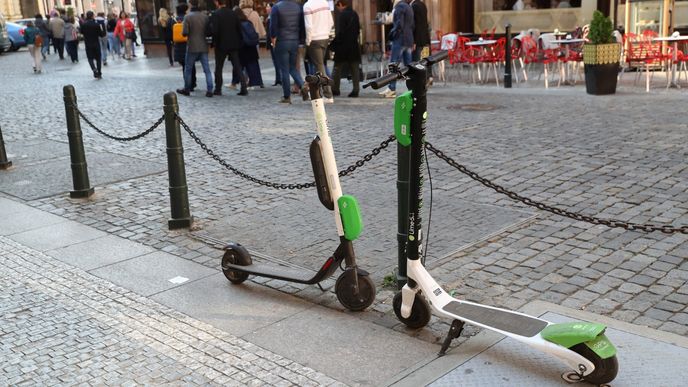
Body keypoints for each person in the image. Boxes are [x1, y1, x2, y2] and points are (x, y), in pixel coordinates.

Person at [269, 0, 307, 103]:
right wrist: (301, 40)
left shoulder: (277, 7)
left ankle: (287, 96)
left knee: (284, 70)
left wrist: (273, 39)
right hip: (294, 40)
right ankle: (302, 85)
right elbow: (302, 25)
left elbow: (273, 27)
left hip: (282, 40)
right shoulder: (298, 7)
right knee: (292, 68)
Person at [177, 0, 214, 97]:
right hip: (203, 45)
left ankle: (187, 89)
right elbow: (208, 31)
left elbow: (185, 32)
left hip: (192, 46)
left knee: (188, 69)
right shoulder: (204, 17)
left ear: (190, 4)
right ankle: (210, 90)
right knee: (207, 70)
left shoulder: (187, 17)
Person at [209, 0, 245, 96]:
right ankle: (244, 87)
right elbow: (239, 29)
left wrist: (214, 42)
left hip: (221, 45)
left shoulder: (216, 14)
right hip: (233, 44)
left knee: (219, 67)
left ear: (217, 2)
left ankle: (218, 89)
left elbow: (215, 31)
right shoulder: (233, 13)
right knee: (237, 66)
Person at [303, 0, 334, 102]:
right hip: (325, 38)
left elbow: (309, 26)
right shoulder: (324, 3)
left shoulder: (308, 6)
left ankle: (328, 94)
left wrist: (308, 41)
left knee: (319, 66)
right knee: (320, 66)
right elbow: (331, 22)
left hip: (314, 39)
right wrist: (326, 33)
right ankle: (317, 91)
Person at [383, 0, 414, 98]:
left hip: (400, 39)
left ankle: (391, 88)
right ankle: (413, 88)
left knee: (393, 64)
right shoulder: (409, 7)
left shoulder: (399, 7)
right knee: (409, 66)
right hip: (408, 38)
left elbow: (399, 24)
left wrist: (393, 33)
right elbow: (412, 24)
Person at [330, 0, 360, 98]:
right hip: (353, 45)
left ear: (341, 5)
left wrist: (334, 44)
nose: (338, 9)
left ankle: (335, 89)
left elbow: (340, 32)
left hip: (343, 46)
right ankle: (356, 90)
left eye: (338, 7)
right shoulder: (355, 14)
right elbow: (358, 29)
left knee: (337, 68)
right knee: (354, 69)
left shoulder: (342, 16)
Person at [235, 0, 265, 89]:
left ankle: (244, 80)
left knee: (242, 62)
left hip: (242, 43)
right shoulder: (254, 13)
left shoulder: (238, 13)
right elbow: (260, 30)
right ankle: (255, 81)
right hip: (253, 41)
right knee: (253, 62)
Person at [173, 4, 197, 92]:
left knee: (184, 67)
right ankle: (193, 83)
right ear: (185, 11)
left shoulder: (174, 20)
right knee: (191, 65)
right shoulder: (188, 18)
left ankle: (188, 84)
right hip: (189, 44)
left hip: (179, 46)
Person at [81, 11, 106, 78]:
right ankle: (99, 72)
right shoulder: (96, 25)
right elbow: (101, 34)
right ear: (92, 16)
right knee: (98, 58)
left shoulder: (84, 24)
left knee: (90, 58)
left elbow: (81, 32)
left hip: (88, 43)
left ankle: (94, 70)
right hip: (96, 43)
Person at [264, 3, 281, 86]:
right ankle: (278, 78)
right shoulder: (269, 17)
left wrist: (272, 42)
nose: (266, 8)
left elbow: (272, 31)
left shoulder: (272, 18)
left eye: (268, 7)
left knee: (277, 61)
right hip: (272, 42)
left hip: (274, 42)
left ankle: (279, 79)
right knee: (275, 61)